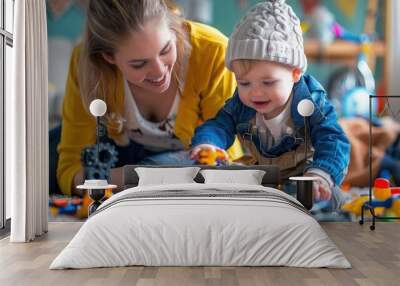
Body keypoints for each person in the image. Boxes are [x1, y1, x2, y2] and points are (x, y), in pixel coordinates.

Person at [53, 0, 243, 196]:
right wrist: (137, 177)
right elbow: (70, 169)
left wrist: (123, 178)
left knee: (183, 166)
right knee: (42, 157)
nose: (159, 71)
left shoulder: (214, 50)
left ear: (172, 28)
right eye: (139, 63)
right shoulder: (87, 64)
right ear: (109, 58)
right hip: (114, 152)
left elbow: (223, 159)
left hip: (186, 155)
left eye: (166, 50)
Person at [190, 0, 350, 208]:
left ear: (295, 73)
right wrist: (209, 143)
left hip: (304, 177)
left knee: (333, 199)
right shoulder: (241, 103)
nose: (255, 92)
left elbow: (333, 138)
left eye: (268, 82)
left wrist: (320, 174)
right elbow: (219, 124)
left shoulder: (312, 102)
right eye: (244, 83)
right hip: (261, 177)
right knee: (219, 188)